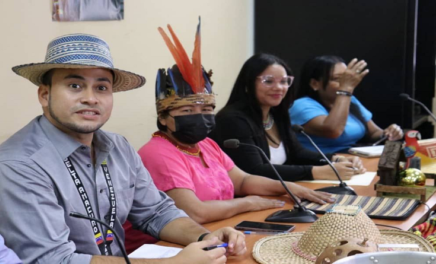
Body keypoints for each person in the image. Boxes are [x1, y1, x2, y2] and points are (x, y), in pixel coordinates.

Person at [0, 33, 246, 264]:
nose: (90, 98)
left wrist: (207, 238)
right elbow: (53, 260)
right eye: (74, 86)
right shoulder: (19, 165)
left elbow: (156, 211)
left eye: (102, 88)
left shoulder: (118, 146)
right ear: (44, 95)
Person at [124, 22, 334, 252]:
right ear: (163, 118)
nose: (199, 117)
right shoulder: (158, 152)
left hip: (217, 232)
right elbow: (194, 211)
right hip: (164, 248)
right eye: (187, 111)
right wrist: (248, 203)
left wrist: (287, 187)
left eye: (206, 110)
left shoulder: (206, 144)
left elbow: (242, 181)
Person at [209, 53, 366, 182]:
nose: (279, 87)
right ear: (248, 84)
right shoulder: (232, 119)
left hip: (279, 191)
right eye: (268, 81)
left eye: (285, 81)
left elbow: (297, 153)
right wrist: (317, 172)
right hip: (245, 197)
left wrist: (335, 159)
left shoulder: (276, 113)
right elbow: (254, 170)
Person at [290, 55, 403, 153]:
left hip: (353, 159)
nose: (346, 83)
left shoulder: (350, 100)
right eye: (338, 79)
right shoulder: (301, 105)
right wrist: (345, 90)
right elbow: (333, 131)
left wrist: (388, 134)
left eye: (347, 79)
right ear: (315, 83)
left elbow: (373, 132)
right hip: (322, 164)